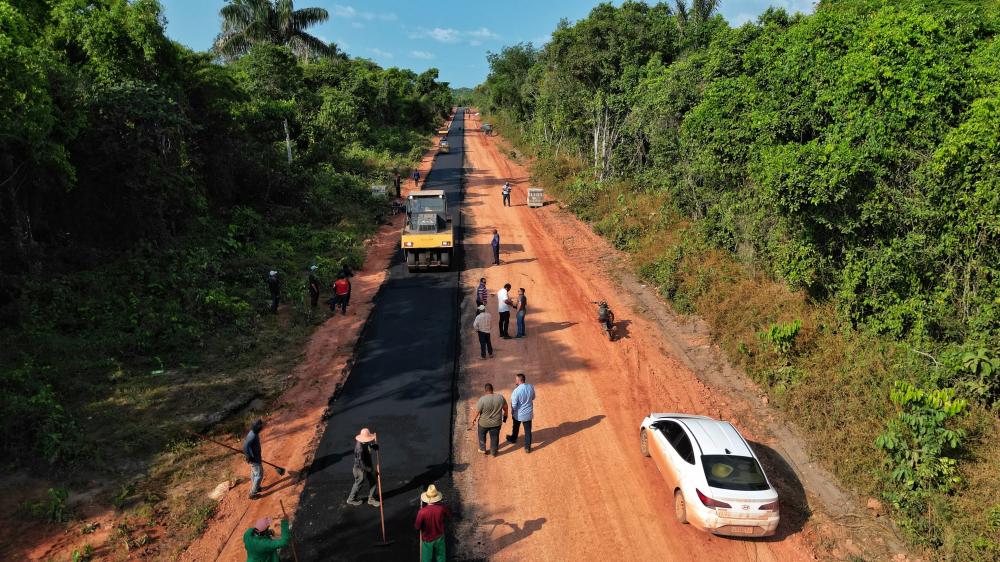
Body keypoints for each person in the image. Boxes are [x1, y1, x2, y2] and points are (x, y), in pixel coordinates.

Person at [415, 485, 451, 562]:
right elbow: (449, 515)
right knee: (441, 557)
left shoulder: (422, 512)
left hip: (427, 539)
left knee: (426, 559)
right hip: (439, 536)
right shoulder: (441, 508)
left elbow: (417, 527)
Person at [470, 383, 507, 456]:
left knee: (482, 435)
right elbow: (506, 408)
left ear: (485, 390)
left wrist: (473, 419)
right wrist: (505, 417)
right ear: (492, 389)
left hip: (483, 424)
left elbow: (477, 412)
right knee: (495, 437)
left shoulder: (482, 399)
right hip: (496, 423)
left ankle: (482, 449)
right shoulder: (500, 397)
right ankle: (494, 452)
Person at [347, 428, 381, 507]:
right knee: (359, 483)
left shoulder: (365, 442)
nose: (368, 440)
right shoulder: (359, 449)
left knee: (373, 480)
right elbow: (361, 463)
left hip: (367, 465)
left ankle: (371, 499)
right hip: (360, 468)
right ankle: (351, 499)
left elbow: (367, 445)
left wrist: (372, 446)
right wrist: (370, 470)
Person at [507, 373, 536, 453]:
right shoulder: (530, 386)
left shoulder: (516, 391)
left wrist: (513, 411)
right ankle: (527, 447)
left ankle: (513, 438)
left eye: (516, 379)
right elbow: (533, 397)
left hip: (518, 414)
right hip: (528, 413)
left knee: (515, 426)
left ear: (519, 380)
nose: (515, 380)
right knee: (528, 431)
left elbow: (514, 404)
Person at [242, 419, 265, 499]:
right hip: (254, 459)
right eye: (259, 426)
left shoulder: (253, 433)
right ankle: (252, 493)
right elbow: (245, 447)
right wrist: (249, 456)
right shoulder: (252, 435)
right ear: (255, 427)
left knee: (254, 473)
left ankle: (256, 487)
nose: (261, 427)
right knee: (259, 475)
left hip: (255, 458)